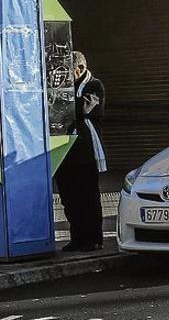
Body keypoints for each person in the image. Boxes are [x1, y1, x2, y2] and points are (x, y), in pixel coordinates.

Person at [55, 51, 106, 252]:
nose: (65, 76)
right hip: (64, 149)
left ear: (81, 69)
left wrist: (59, 100)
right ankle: (77, 237)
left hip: (85, 149)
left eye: (69, 71)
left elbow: (85, 108)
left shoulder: (94, 85)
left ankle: (93, 238)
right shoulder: (64, 87)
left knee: (88, 195)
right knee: (69, 197)